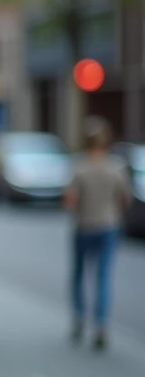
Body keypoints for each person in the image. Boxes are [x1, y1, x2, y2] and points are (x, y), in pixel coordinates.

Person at [64, 117, 132, 351]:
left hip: (84, 226)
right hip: (108, 226)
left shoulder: (79, 166)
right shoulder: (116, 167)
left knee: (80, 274)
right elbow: (125, 200)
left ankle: (79, 317)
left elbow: (70, 200)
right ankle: (101, 325)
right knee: (102, 277)